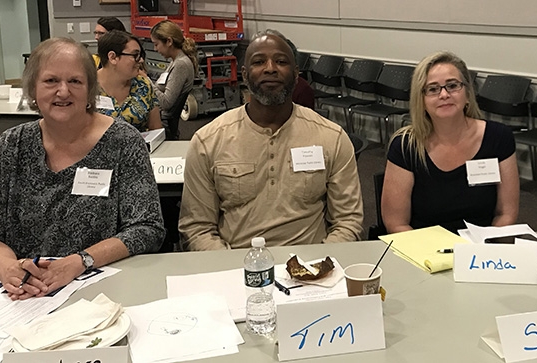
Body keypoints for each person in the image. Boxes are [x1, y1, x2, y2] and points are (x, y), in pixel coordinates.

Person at [0, 38, 165, 300]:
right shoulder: (11, 146)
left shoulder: (124, 142)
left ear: (90, 89)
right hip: (25, 296)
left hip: (103, 290)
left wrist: (81, 261)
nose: (63, 91)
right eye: (51, 81)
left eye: (75, 81)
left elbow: (147, 227)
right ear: (33, 89)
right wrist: (9, 269)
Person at [179, 30, 363, 250]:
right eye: (259, 62)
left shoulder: (331, 138)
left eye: (281, 61)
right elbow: (197, 228)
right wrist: (231, 265)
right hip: (235, 263)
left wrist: (320, 264)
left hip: (312, 265)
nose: (270, 68)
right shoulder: (207, 141)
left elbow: (348, 221)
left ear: (296, 74)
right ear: (245, 75)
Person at [381, 51, 519, 233]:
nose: (444, 94)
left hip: (484, 246)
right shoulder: (405, 146)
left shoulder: (498, 138)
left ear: (467, 94)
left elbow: (506, 214)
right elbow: (396, 223)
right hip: (423, 247)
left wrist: (484, 247)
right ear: (421, 100)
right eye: (432, 89)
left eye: (452, 86)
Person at [96, 30, 161, 132]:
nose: (141, 60)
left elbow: (156, 130)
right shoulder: (87, 88)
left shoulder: (143, 85)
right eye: (135, 55)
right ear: (113, 57)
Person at [149, 20, 198, 139]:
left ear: (169, 41)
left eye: (156, 44)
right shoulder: (175, 61)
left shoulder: (181, 64)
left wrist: (146, 81)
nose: (155, 49)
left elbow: (166, 103)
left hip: (165, 124)